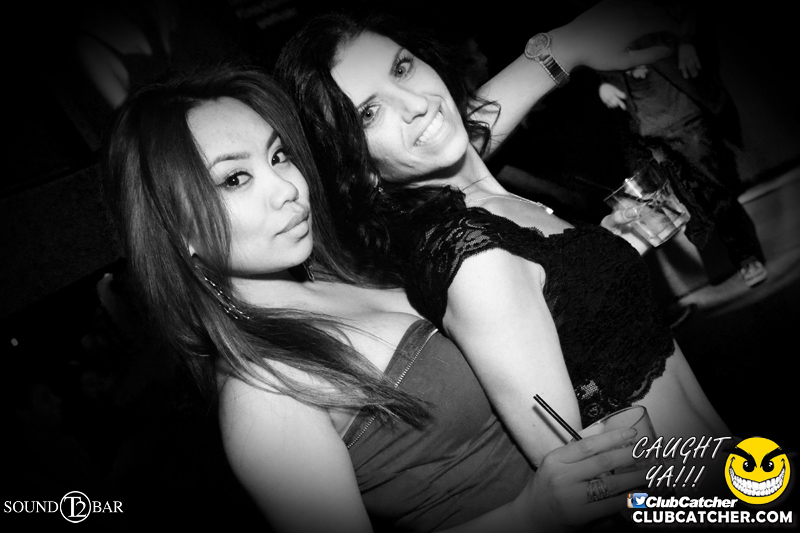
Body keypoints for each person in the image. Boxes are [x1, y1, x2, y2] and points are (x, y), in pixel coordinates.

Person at [102, 66, 651, 533]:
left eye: (279, 156)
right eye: (235, 179)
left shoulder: (341, 269)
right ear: (178, 231)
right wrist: (534, 513)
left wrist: (562, 50)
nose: (286, 188)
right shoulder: (262, 396)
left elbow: (435, 137)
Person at [275, 4, 731, 469]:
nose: (416, 104)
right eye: (369, 113)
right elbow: (581, 472)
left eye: (402, 68)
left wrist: (597, 256)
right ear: (358, 168)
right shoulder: (470, 254)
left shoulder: (482, 205)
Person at [596, 1, 767, 287]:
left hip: (681, 112)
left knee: (715, 190)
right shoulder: (601, 16)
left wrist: (686, 40)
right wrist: (602, 81)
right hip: (644, 125)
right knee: (685, 202)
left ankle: (745, 256)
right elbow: (593, 49)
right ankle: (722, 262)